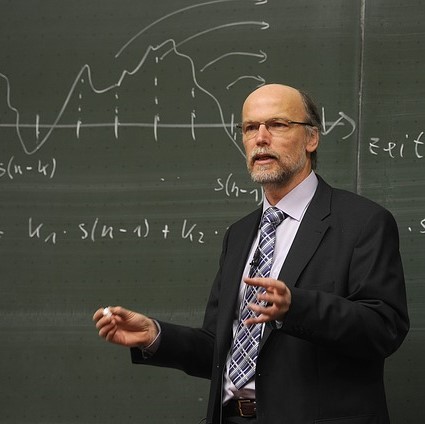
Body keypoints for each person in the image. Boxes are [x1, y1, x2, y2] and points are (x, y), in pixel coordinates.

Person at [93, 84, 409, 424]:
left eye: (277, 124)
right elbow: (220, 348)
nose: (260, 138)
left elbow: (384, 328)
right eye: (249, 128)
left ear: (312, 138)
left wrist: (295, 308)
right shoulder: (240, 234)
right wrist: (156, 336)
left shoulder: (363, 222)